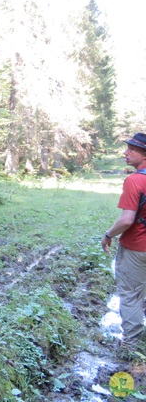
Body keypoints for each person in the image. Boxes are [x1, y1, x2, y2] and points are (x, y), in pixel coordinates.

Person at [101, 132, 146, 351]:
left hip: (137, 248)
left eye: (132, 150)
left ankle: (132, 347)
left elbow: (127, 219)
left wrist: (109, 234)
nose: (125, 153)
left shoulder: (135, 180)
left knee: (131, 296)